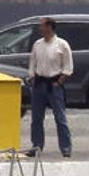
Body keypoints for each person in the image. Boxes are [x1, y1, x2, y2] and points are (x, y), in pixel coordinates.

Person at [27, 17, 73, 158]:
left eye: (42, 26)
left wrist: (59, 82)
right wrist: (32, 77)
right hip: (39, 84)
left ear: (49, 27)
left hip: (54, 85)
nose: (40, 28)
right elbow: (32, 63)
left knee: (60, 118)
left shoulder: (62, 45)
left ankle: (66, 148)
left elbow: (68, 68)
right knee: (36, 119)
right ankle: (36, 146)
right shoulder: (37, 44)